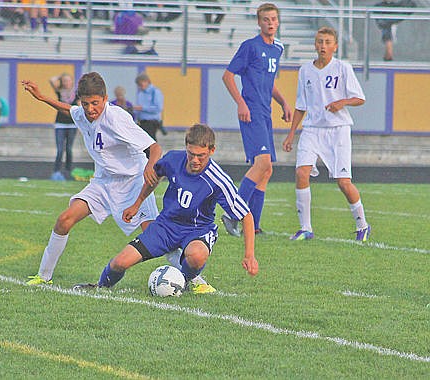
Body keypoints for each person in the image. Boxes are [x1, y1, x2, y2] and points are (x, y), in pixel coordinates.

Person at [22, 73, 215, 293]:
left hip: (132, 182)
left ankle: (195, 279)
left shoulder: (116, 118)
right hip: (103, 182)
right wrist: (41, 98)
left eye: (95, 103)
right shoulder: (83, 113)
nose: (90, 109)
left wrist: (149, 169)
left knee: (154, 234)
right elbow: (69, 110)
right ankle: (43, 276)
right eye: (85, 103)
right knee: (65, 219)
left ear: (105, 99)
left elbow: (154, 148)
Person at [73, 124, 258, 292]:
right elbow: (154, 178)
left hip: (197, 231)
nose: (194, 160)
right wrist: (137, 204)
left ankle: (183, 281)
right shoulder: (173, 159)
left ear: (211, 151)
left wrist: (249, 255)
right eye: (190, 154)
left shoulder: (218, 180)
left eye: (200, 156)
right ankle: (99, 286)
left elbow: (246, 216)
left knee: (197, 255)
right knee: (120, 262)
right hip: (166, 226)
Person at [282, 27, 371, 242]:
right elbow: (301, 105)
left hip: (338, 131)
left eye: (327, 42)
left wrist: (342, 102)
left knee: (343, 182)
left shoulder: (343, 68)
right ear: (315, 44)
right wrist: (291, 134)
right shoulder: (305, 70)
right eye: (320, 41)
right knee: (301, 173)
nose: (323, 45)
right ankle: (306, 229)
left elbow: (360, 98)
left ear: (335, 46)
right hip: (312, 130)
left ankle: (363, 225)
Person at [221, 3, 292, 237]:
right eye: (265, 19)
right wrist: (241, 103)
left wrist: (283, 102)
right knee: (261, 164)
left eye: (273, 19)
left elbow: (268, 82)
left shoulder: (277, 48)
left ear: (278, 22)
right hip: (251, 110)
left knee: (267, 169)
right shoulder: (250, 47)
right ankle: (232, 214)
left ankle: (255, 225)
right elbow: (228, 76)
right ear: (259, 22)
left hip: (265, 111)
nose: (270, 23)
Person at [49, 73, 79, 181]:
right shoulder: (60, 91)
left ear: (72, 82)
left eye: (68, 80)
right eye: (65, 81)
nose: (66, 83)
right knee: (60, 149)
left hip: (72, 124)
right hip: (60, 124)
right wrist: (60, 77)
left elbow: (79, 107)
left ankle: (68, 171)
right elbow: (52, 79)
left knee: (69, 148)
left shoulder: (76, 93)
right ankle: (56, 171)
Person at [134, 72, 166, 144]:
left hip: (151, 122)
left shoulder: (155, 92)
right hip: (142, 122)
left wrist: (142, 108)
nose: (140, 87)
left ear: (147, 82)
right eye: (138, 85)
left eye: (141, 84)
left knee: (150, 143)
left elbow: (158, 108)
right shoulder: (141, 93)